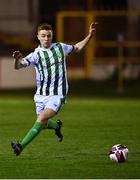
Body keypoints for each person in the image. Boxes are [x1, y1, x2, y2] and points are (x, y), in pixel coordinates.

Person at [11, 22, 98, 156]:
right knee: (44, 124)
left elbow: (77, 48)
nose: (46, 38)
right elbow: (19, 66)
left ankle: (20, 146)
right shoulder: (35, 54)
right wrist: (17, 60)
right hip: (40, 95)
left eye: (49, 36)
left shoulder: (60, 47)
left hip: (57, 94)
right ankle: (57, 126)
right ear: (38, 37)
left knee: (40, 119)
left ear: (52, 36)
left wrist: (89, 36)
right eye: (43, 36)